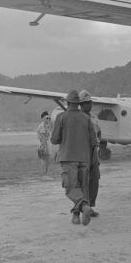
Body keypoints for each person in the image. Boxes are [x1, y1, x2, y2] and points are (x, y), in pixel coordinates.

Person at [51, 89, 97, 226]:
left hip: (68, 157)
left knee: (71, 187)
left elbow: (54, 139)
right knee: (83, 188)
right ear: (78, 103)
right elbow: (93, 141)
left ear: (67, 102)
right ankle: (76, 217)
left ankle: (83, 208)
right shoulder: (86, 118)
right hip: (85, 158)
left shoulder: (61, 117)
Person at [79, 90, 101, 218]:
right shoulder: (79, 117)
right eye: (87, 103)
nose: (90, 104)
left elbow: (99, 132)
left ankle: (90, 207)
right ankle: (82, 208)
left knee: (94, 180)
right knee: (84, 181)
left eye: (90, 102)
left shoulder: (92, 116)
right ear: (81, 104)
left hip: (94, 151)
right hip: (84, 151)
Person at [36, 111, 53, 176]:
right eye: (47, 118)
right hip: (44, 144)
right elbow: (43, 138)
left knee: (48, 160)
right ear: (43, 118)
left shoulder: (46, 125)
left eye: (49, 118)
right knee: (44, 160)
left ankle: (45, 174)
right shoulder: (42, 126)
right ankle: (44, 175)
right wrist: (45, 147)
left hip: (47, 143)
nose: (48, 119)